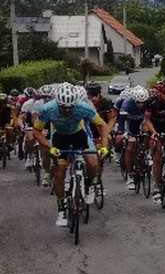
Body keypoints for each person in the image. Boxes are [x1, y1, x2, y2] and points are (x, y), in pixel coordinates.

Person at [32, 83, 110, 226]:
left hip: (78, 134)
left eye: (70, 107)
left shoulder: (83, 107)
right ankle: (61, 209)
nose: (67, 110)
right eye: (64, 107)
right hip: (59, 136)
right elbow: (36, 131)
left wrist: (104, 147)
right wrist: (49, 147)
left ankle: (89, 185)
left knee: (93, 163)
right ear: (57, 103)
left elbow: (102, 125)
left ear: (75, 103)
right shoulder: (48, 108)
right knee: (60, 172)